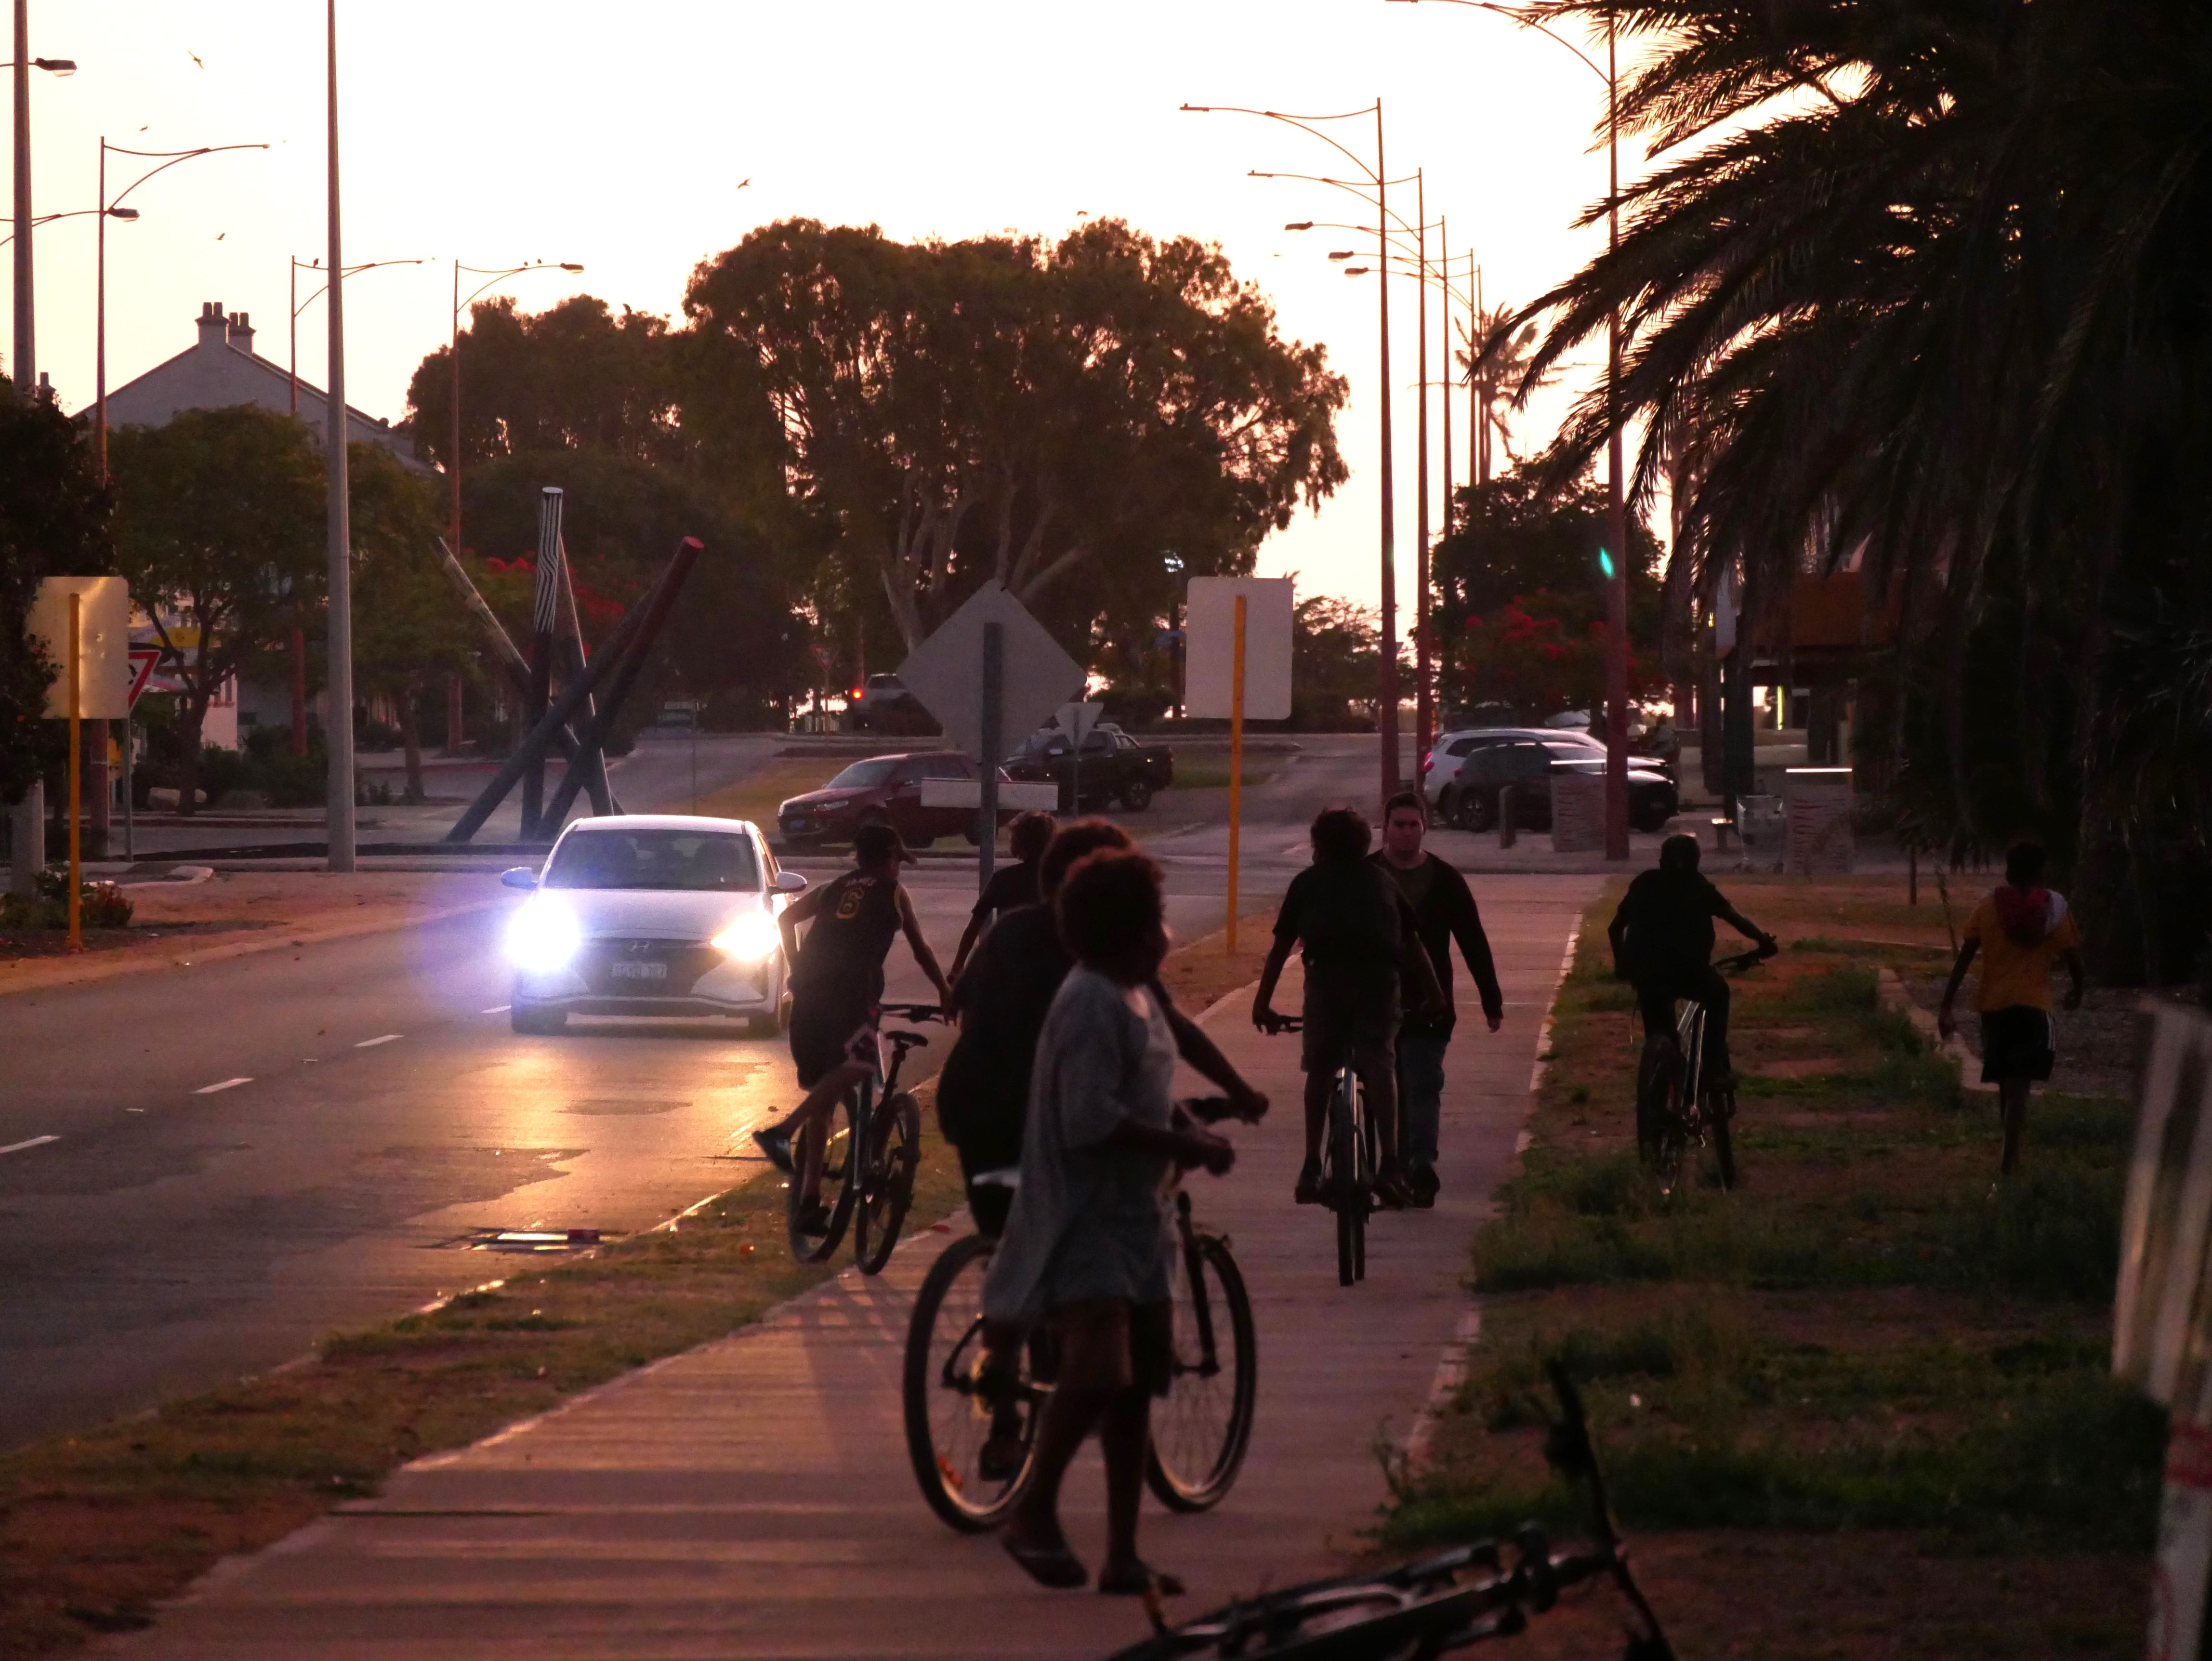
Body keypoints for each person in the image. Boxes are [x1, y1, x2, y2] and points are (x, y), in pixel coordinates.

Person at [985, 848, 1235, 1597]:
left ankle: (1122, 1553)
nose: (1166, 932)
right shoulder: (1091, 1000)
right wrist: (1182, 1143)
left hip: (1139, 1219)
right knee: (1100, 1369)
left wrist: (1186, 1122)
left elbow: (1150, 1088)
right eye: (1157, 920)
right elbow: (1090, 1118)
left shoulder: (1135, 997)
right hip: (1084, 1216)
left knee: (1136, 1388)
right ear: (1129, 930)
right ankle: (1033, 1511)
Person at [939, 817, 1267, 1239]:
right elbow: (1170, 1032)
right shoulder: (1100, 950)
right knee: (1099, 1243)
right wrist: (1235, 1094)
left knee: (1015, 1250)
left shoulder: (1010, 931)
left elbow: (965, 1001)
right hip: (1043, 1116)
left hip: (973, 1112)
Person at [752, 822, 950, 1234]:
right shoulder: (893, 891)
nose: (900, 869)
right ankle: (782, 1131)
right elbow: (920, 948)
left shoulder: (831, 889)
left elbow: (786, 918)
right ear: (891, 858)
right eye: (899, 861)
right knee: (860, 1066)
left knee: (825, 1095)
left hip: (808, 998)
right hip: (852, 995)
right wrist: (945, 992)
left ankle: (809, 1202)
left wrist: (798, 965)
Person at [1253, 805, 1443, 1210]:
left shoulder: (1306, 884)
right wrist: (1436, 997)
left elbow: (1279, 950)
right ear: (1364, 844)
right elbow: (1413, 946)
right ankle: (1391, 1163)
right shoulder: (1383, 882)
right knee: (1379, 1061)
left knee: (1320, 1069)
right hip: (1378, 983)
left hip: (1326, 983)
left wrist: (1262, 1004)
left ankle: (1310, 1166)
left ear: (1318, 845)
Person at [1371, 791, 1505, 1207]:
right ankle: (1392, 1167)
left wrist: (1491, 999)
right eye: (1399, 825)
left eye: (1415, 825)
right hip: (1375, 1000)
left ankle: (1421, 1164)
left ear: (1425, 827)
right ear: (1385, 827)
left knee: (1424, 1081)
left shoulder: (1446, 880)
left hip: (1431, 1002)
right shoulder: (1367, 876)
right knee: (1387, 1086)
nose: (1407, 833)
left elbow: (1472, 940)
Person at [1938, 841, 2086, 1176]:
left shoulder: (1988, 907)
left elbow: (1964, 958)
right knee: (2020, 1084)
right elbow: (2074, 960)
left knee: (2008, 1081)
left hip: (1994, 1008)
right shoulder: (2054, 910)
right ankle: (2010, 1160)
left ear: (2008, 869)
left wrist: (1946, 1005)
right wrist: (2078, 992)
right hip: (2034, 1008)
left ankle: (2010, 1154)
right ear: (2039, 872)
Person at [1608, 832, 1775, 1089]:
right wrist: (1763, 941)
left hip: (1645, 973)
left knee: (1660, 1033)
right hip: (1688, 972)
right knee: (1718, 994)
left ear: (1662, 861)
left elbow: (1615, 928)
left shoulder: (1644, 883)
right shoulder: (1699, 887)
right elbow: (1735, 919)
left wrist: (1622, 965)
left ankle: (1659, 1099)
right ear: (1697, 862)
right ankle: (1713, 1068)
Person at [948, 809, 1054, 981]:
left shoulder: (1004, 880)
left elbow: (974, 927)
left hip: (1010, 967)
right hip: (1049, 969)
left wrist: (957, 968)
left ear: (1020, 844)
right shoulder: (1062, 878)